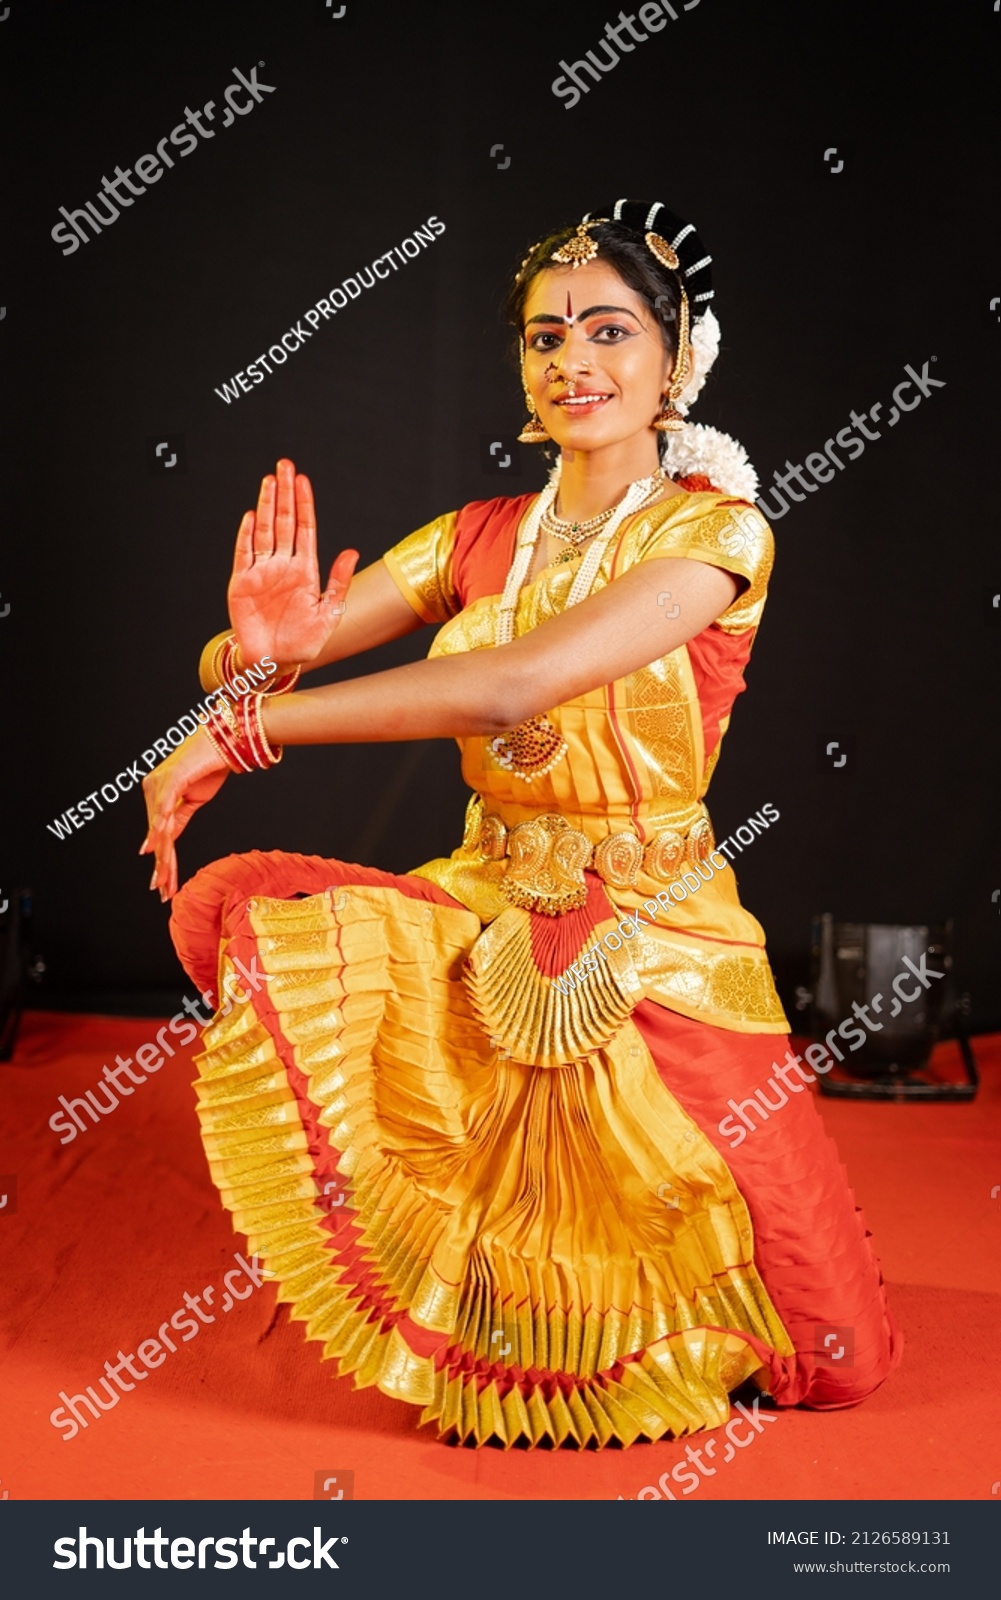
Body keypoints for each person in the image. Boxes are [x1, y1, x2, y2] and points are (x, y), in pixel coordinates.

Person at [141, 199, 900, 1449]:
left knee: (832, 1353)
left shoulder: (714, 534)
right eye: (546, 338)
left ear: (675, 361)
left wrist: (254, 728)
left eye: (608, 332)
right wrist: (254, 654)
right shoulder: (480, 537)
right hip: (494, 893)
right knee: (266, 922)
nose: (573, 363)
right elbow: (282, 656)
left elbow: (510, 685)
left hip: (657, 928)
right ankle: (510, 1338)